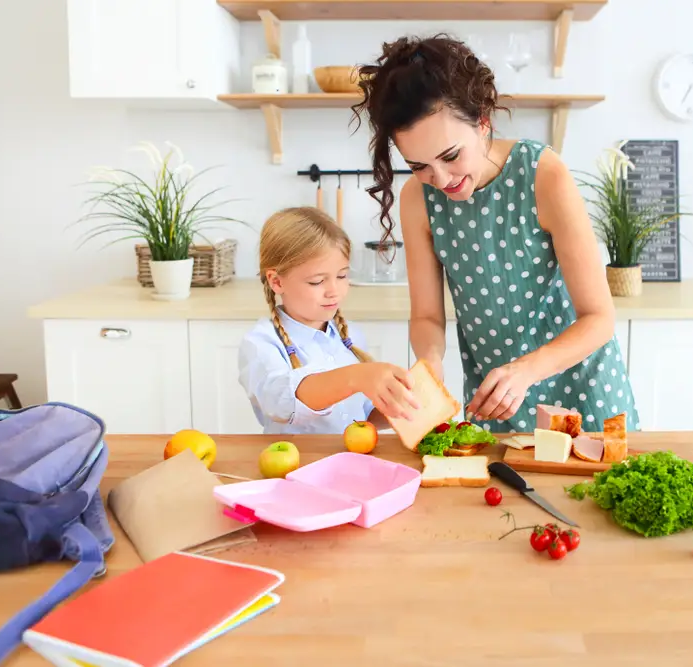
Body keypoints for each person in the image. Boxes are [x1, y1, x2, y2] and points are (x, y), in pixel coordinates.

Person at [350, 34, 639, 434]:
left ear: (482, 121)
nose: (442, 179)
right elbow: (428, 316)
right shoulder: (419, 199)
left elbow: (599, 319)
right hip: (496, 404)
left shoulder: (543, 175)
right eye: (419, 165)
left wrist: (524, 371)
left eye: (451, 156)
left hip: (583, 393)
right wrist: (429, 368)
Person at [238, 206, 420, 434]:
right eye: (317, 281)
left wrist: (403, 404)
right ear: (277, 281)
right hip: (297, 466)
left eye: (342, 276)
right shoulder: (261, 342)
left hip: (352, 460)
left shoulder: (350, 337)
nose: (334, 291)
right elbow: (280, 402)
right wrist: (356, 377)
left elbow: (364, 417)